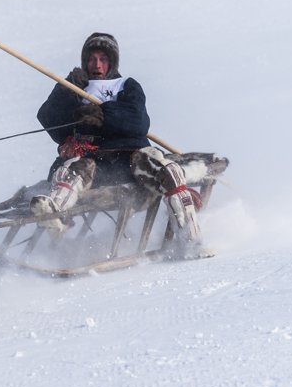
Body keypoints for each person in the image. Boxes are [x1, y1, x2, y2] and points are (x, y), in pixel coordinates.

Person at [30, 32, 203, 256]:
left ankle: (192, 241)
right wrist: (64, 89)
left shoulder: (126, 86)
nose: (97, 65)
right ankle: (54, 215)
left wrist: (104, 116)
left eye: (103, 59)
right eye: (91, 59)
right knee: (72, 170)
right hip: (94, 162)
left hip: (130, 159)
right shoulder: (75, 88)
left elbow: (138, 122)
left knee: (169, 170)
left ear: (112, 62)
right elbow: (48, 119)